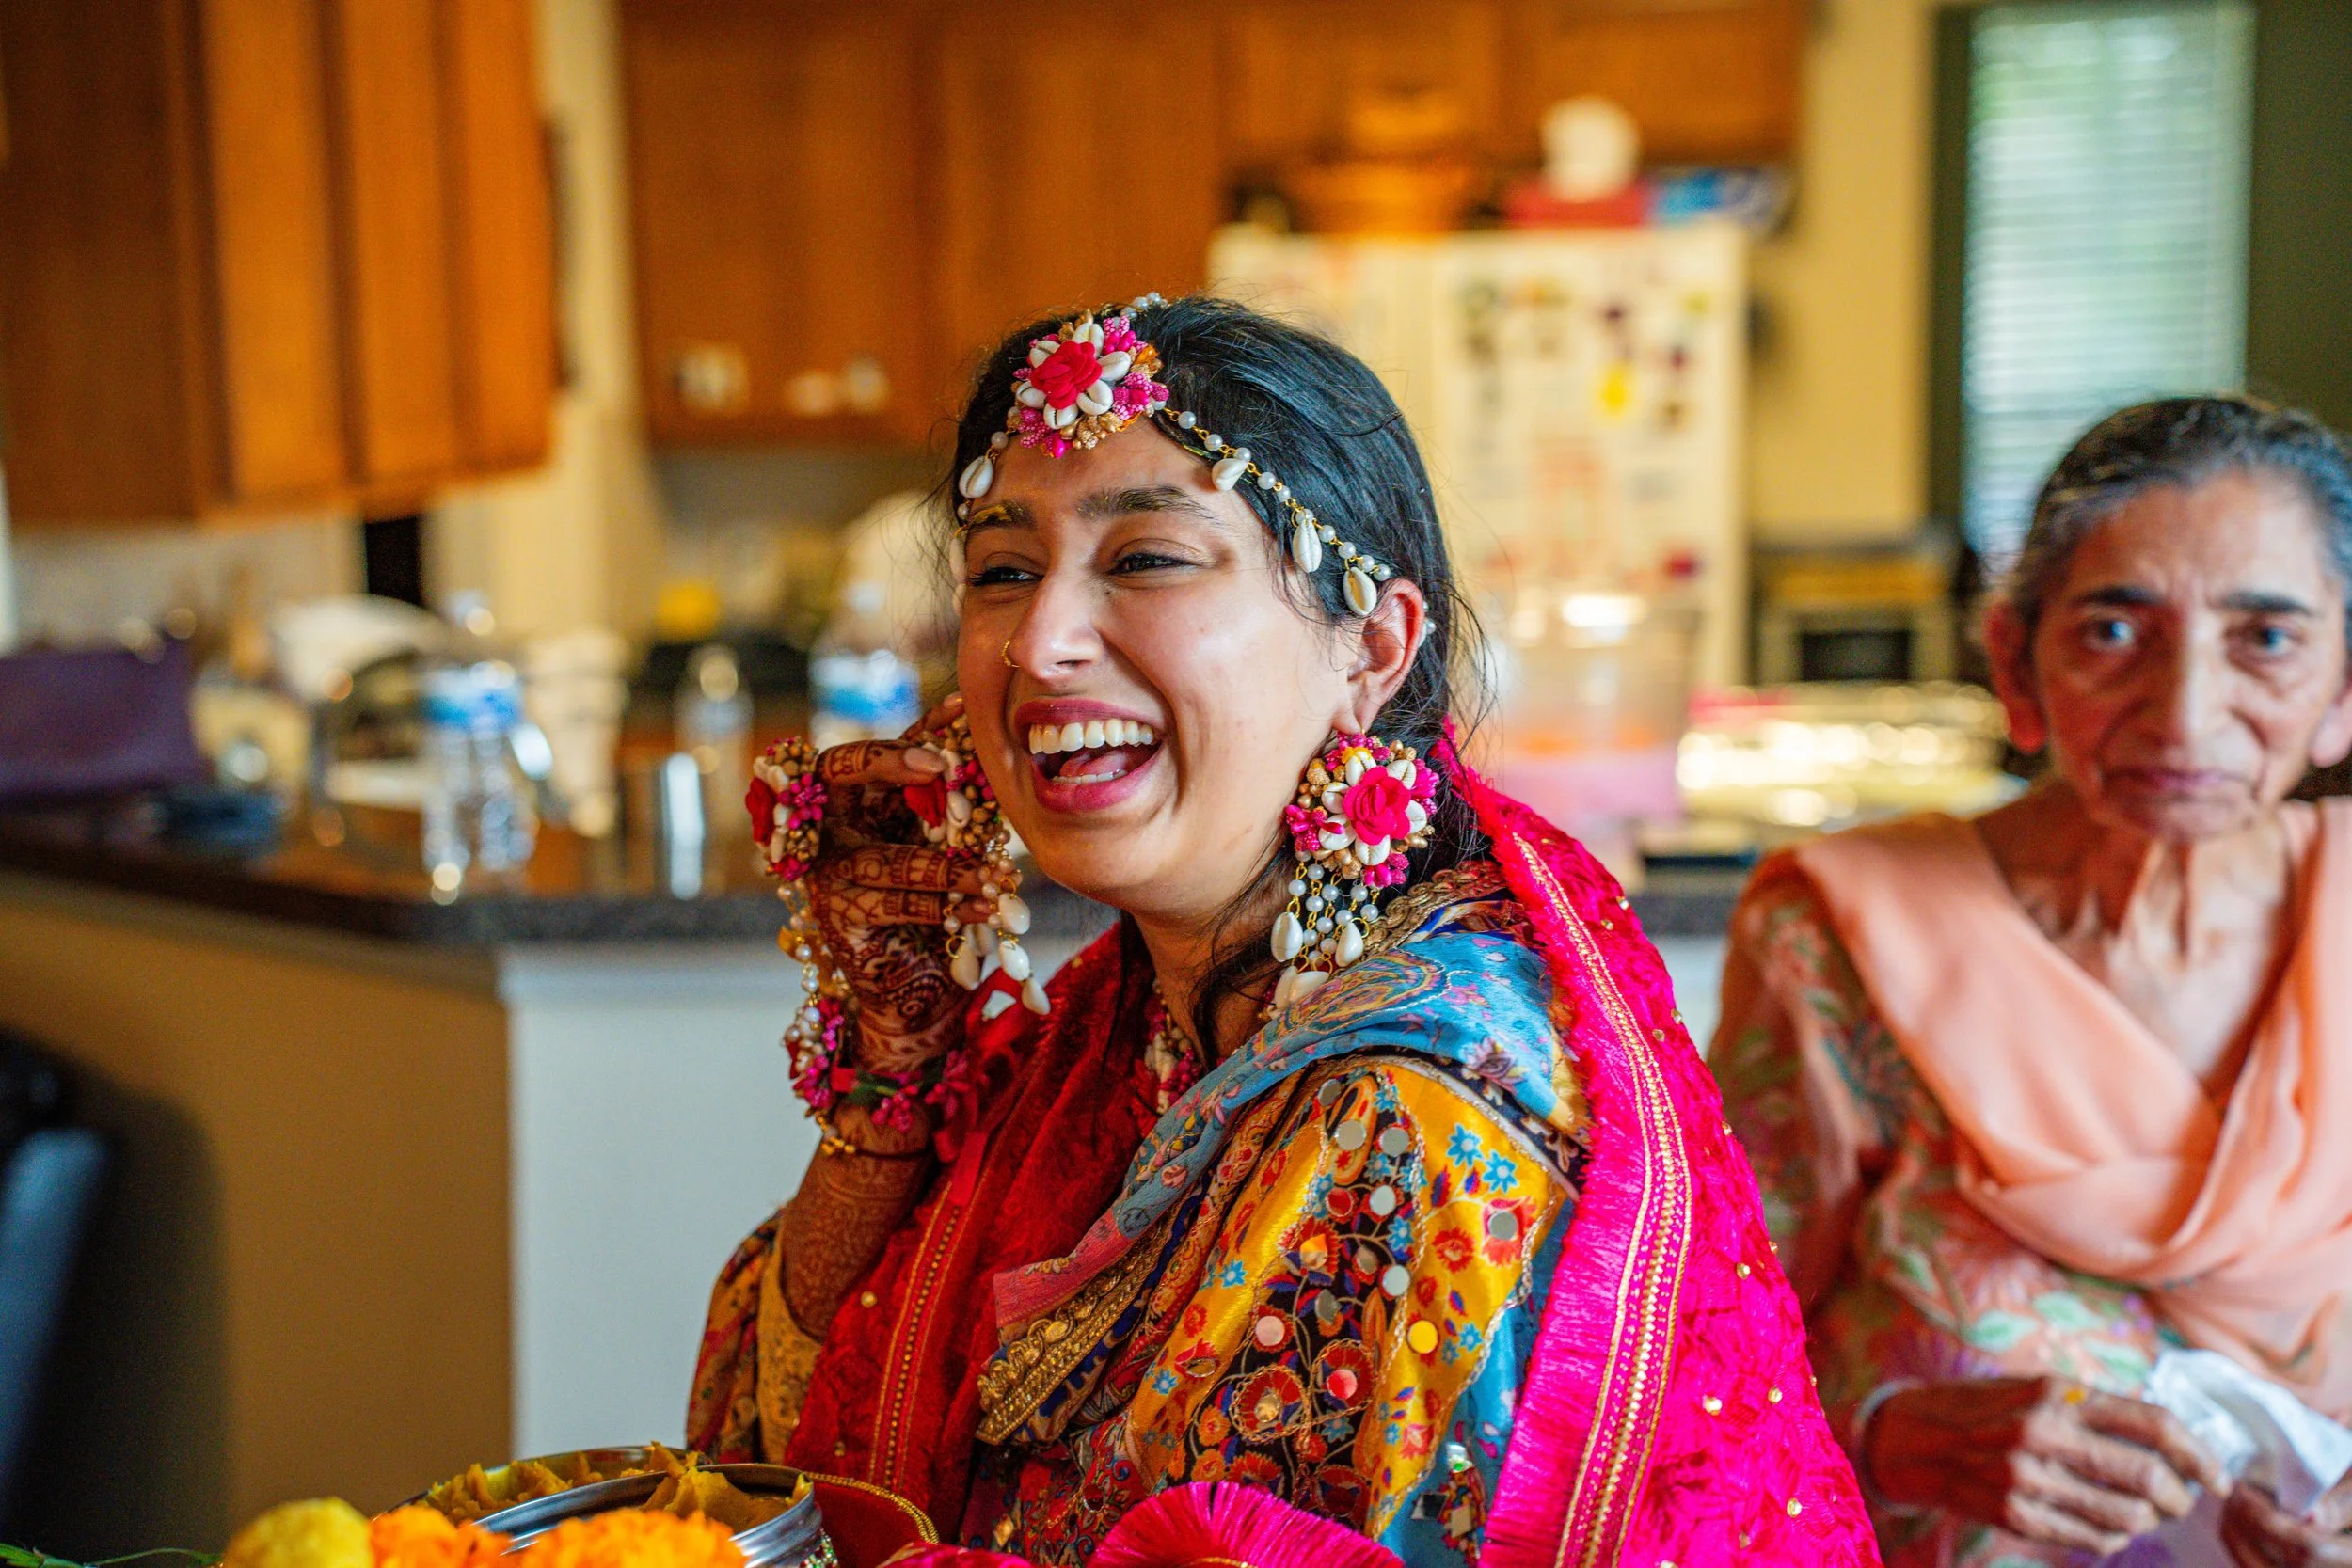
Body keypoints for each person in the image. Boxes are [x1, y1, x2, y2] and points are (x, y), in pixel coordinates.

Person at [688, 295, 1877, 1567]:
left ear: (1371, 648)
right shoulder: (1132, 1023)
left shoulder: (1420, 1121)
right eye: (1002, 570)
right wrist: (893, 1070)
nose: (1041, 640)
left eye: (1145, 558)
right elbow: (776, 1458)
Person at [1711, 396, 2352, 1567]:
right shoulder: (1844, 933)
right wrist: (1890, 1436)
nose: (2186, 712)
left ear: (2344, 685)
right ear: (2016, 659)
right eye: (2114, 631)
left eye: (2265, 638)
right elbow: (1699, 1353)